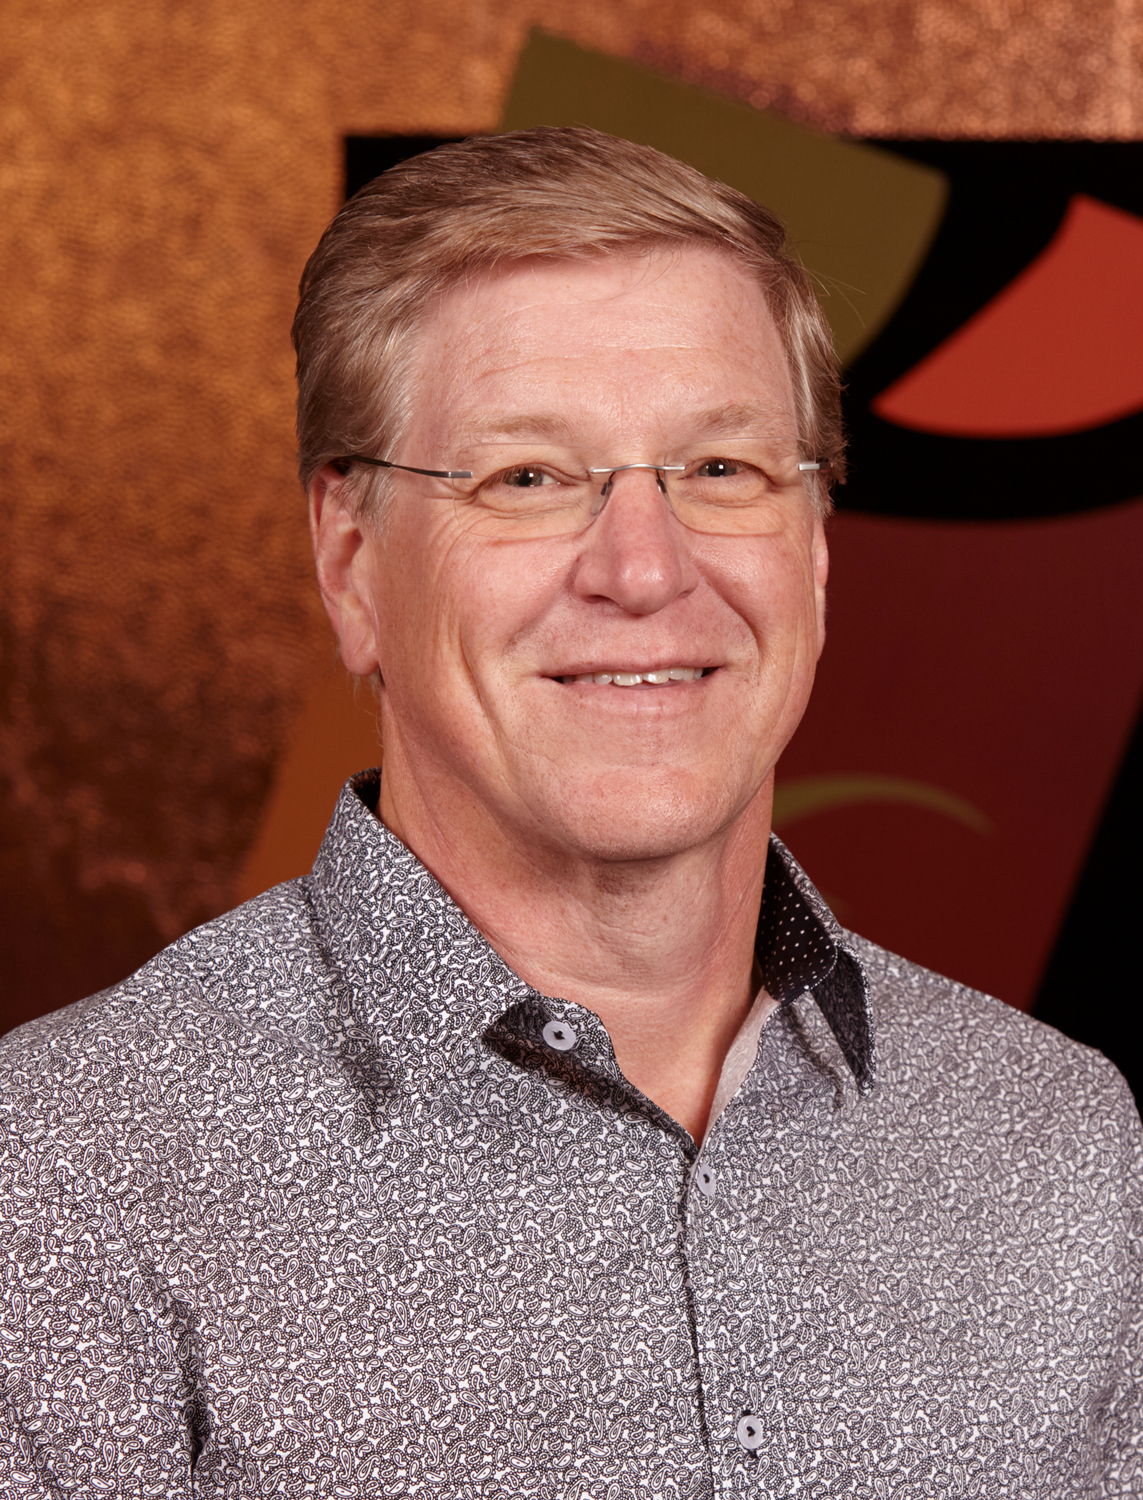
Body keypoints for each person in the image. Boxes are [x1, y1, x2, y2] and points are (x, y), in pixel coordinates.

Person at [1, 127, 1139, 1498]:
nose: (645, 568)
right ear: (351, 562)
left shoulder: (1055, 1138)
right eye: (528, 478)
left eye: (722, 470)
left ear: (818, 554)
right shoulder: (74, 1168)